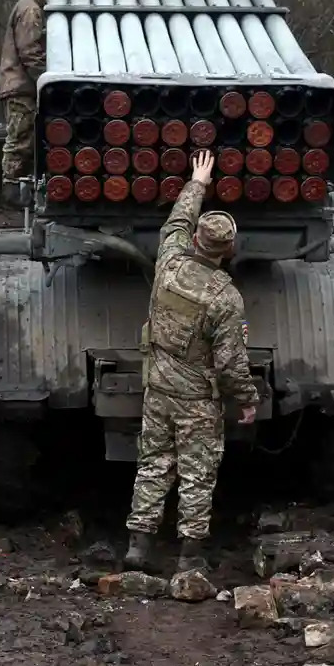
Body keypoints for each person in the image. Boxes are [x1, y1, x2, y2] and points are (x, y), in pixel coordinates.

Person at [124, 149, 260, 574]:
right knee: (196, 475)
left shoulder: (168, 262)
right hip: (198, 400)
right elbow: (230, 363)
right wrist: (247, 399)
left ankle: (138, 548)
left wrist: (198, 182)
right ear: (229, 248)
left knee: (153, 465)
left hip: (158, 388)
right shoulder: (224, 297)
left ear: (197, 240)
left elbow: (176, 222)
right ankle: (190, 557)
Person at [0, 0, 68, 190]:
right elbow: (30, 52)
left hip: (18, 84)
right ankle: (11, 187)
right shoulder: (31, 10)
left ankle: (17, 186)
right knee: (20, 138)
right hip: (20, 87)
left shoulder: (28, 5)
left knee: (24, 138)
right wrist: (50, 83)